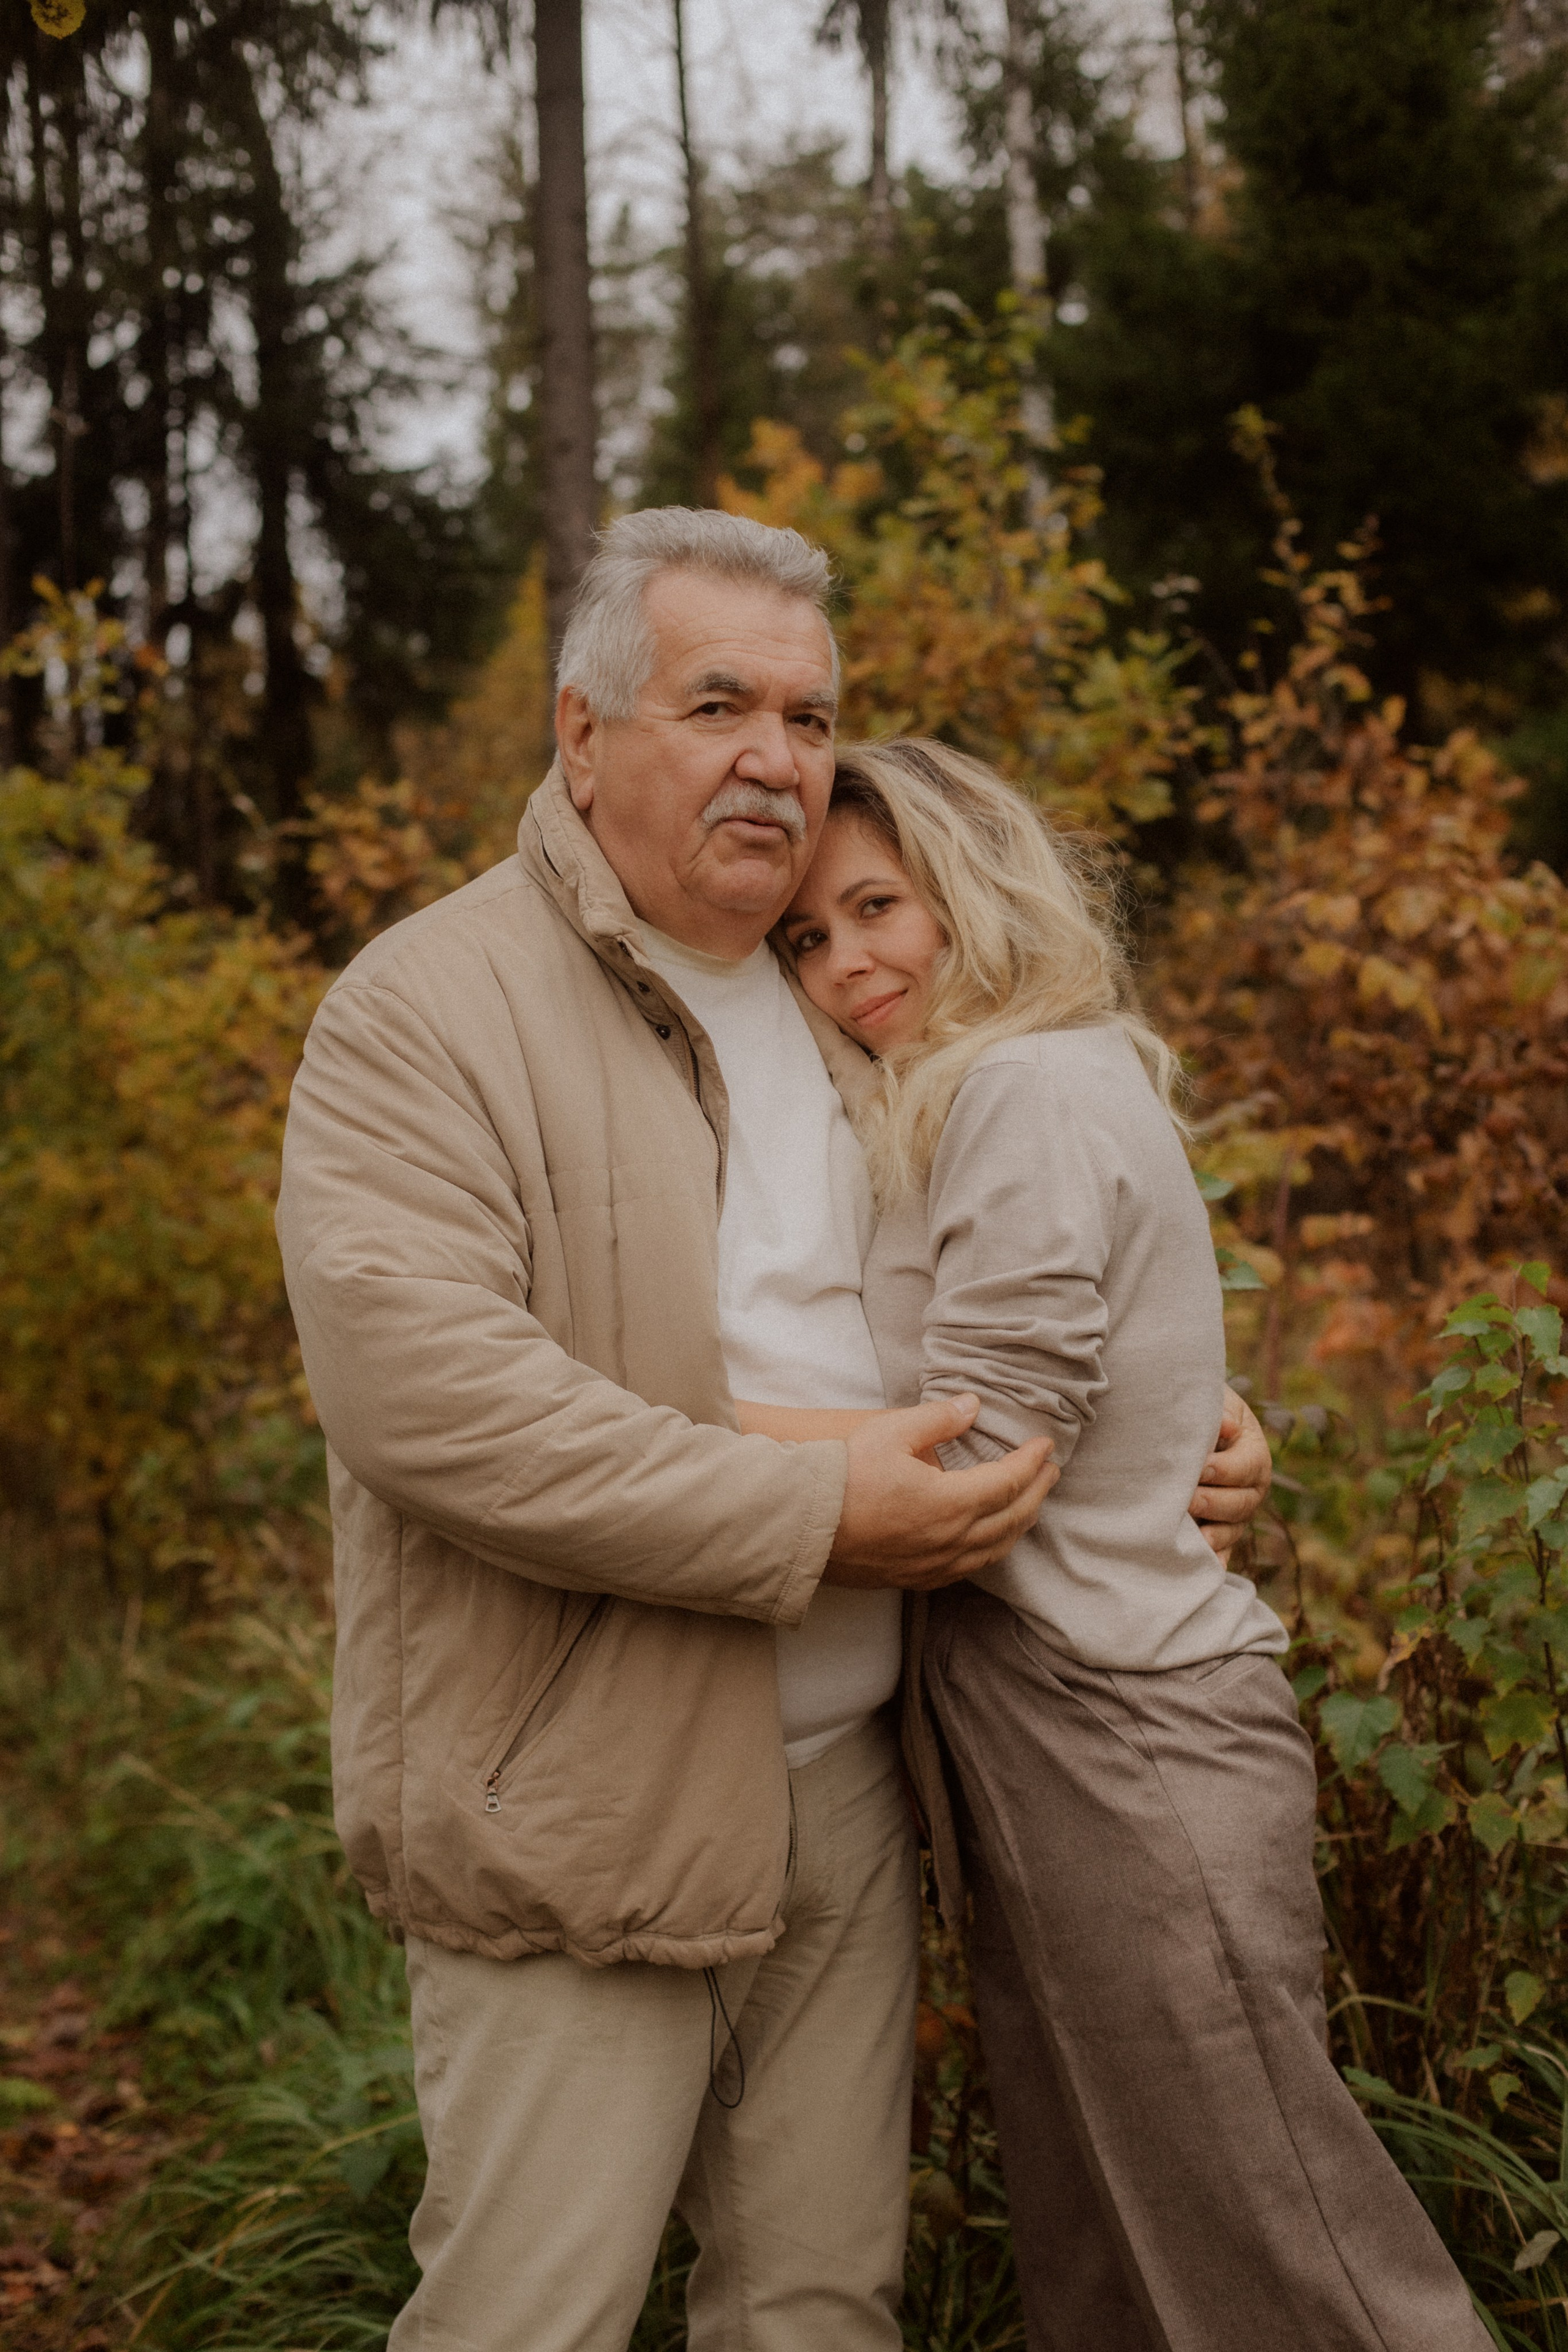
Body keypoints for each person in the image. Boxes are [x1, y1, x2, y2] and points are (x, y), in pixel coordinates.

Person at [276, 508, 1271, 2352]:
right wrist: (817, 1511)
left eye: (809, 720)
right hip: (579, 1798)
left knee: (819, 2310)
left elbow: (1005, 1290)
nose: (776, 760)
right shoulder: (428, 1009)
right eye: (718, 704)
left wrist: (1172, 1419)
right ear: (583, 735)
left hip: (854, 1789)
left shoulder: (853, 1005)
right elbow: (434, 1401)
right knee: (531, 2317)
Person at [778, 736, 1490, 2352]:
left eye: (879, 906)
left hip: (1128, 1737)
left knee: (1298, 2275)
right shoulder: (988, 1088)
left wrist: (643, 1432)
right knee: (1113, 2268)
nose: (846, 964)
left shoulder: (1025, 1087)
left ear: (973, 885)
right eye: (809, 937)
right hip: (1048, 1743)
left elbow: (985, 1472)